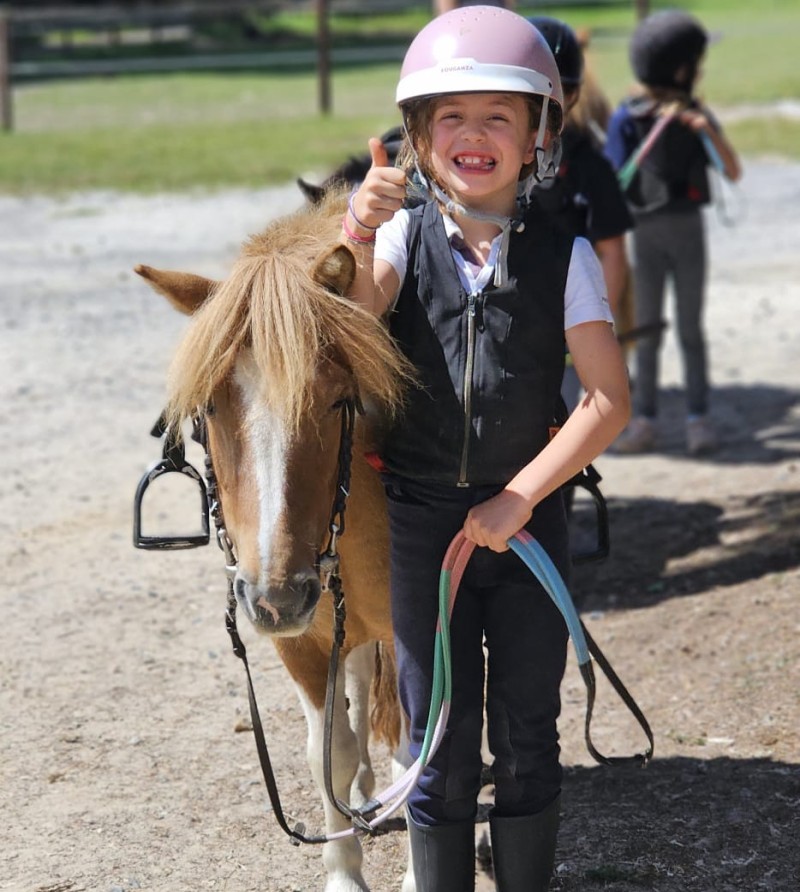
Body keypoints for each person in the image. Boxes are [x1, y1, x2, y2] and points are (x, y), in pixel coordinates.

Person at [340, 7, 631, 890]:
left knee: (529, 732)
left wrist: (521, 497)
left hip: (531, 521)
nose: (474, 135)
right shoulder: (397, 240)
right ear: (420, 139)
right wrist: (354, 231)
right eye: (451, 118)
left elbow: (607, 400)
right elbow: (348, 331)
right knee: (438, 737)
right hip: (425, 527)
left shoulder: (567, 254)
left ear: (539, 133)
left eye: (497, 116)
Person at [604, 9, 742, 455]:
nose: (700, 71)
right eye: (696, 63)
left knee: (689, 329)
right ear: (682, 69)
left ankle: (696, 418)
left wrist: (708, 133)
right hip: (650, 233)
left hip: (684, 232)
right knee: (647, 330)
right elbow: (612, 178)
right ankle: (645, 419)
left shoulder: (692, 116)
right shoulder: (628, 117)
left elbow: (732, 170)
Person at [528, 15, 634, 416]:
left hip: (561, 329)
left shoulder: (590, 166)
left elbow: (612, 251)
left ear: (573, 96)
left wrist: (591, 325)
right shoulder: (483, 164)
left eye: (560, 92)